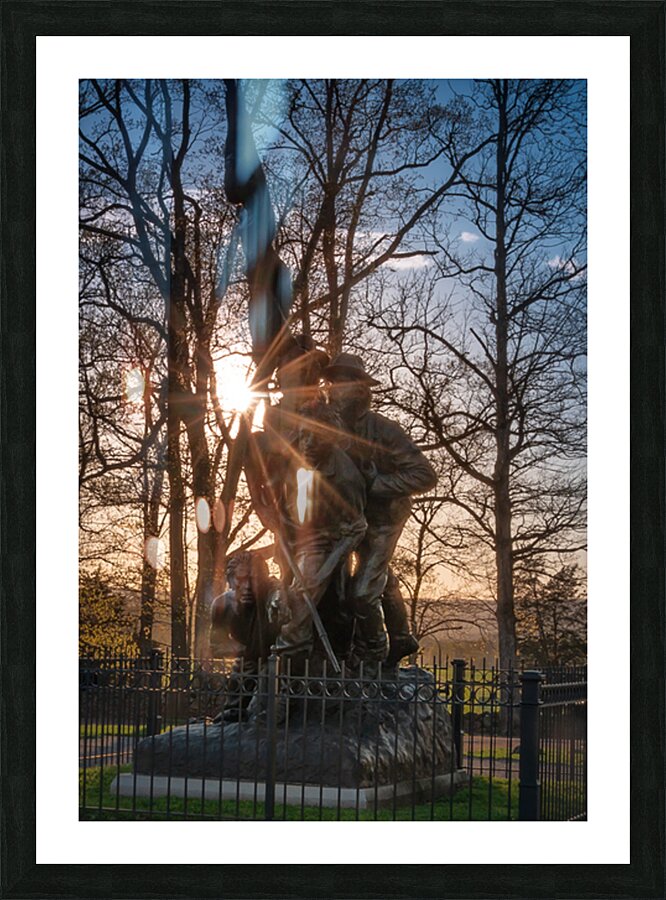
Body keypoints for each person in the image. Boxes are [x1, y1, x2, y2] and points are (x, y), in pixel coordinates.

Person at [324, 353, 438, 670]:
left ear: (359, 387)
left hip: (383, 520)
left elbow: (425, 475)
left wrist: (378, 483)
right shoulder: (329, 426)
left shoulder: (384, 430)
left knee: (362, 593)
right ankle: (401, 638)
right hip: (348, 519)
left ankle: (373, 653)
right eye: (331, 382)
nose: (333, 389)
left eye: (341, 383)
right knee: (367, 580)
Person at [271, 400, 367, 669]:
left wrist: (324, 570)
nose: (309, 443)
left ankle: (286, 671)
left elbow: (358, 528)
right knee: (281, 601)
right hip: (296, 541)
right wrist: (283, 577)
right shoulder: (296, 460)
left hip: (326, 544)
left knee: (300, 605)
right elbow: (289, 514)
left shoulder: (345, 477)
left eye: (318, 437)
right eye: (305, 435)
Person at [210, 551, 280, 721]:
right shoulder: (222, 605)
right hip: (246, 661)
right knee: (243, 674)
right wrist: (245, 650)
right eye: (241, 579)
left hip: (275, 661)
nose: (247, 586)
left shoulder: (271, 598)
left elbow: (279, 588)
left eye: (254, 579)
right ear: (230, 580)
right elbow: (216, 646)